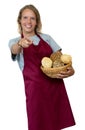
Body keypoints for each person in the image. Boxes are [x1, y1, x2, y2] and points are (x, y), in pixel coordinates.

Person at [8, 4, 76, 130]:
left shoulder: (47, 38)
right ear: (20, 20)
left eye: (32, 18)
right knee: (38, 125)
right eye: (25, 17)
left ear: (37, 22)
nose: (28, 21)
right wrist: (20, 43)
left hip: (55, 87)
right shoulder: (15, 41)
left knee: (57, 124)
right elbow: (14, 50)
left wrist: (71, 71)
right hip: (35, 93)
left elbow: (60, 60)